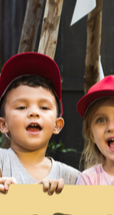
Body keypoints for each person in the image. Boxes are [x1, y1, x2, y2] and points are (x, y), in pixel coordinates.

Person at [0, 52, 80, 194]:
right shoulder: (2, 162)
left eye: (44, 107)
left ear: (57, 125)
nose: (34, 113)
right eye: (21, 107)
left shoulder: (73, 178)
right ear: (3, 124)